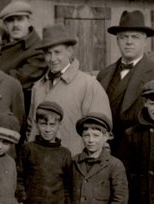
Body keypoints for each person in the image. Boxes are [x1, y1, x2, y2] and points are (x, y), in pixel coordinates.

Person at [95, 9, 154, 137]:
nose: (129, 42)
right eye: (124, 37)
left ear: (145, 41)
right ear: (117, 41)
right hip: (109, 153)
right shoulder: (104, 75)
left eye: (135, 37)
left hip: (144, 153)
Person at [27, 25, 112, 157]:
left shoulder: (89, 85)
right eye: (48, 53)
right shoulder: (38, 87)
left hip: (74, 167)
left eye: (57, 52)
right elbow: (31, 128)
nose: (53, 58)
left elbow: (101, 135)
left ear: (70, 51)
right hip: (40, 167)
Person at [0, 0, 48, 101]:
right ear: (5, 24)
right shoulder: (0, 40)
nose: (15, 25)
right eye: (10, 20)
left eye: (20, 20)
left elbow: (16, 79)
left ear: (29, 21)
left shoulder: (38, 50)